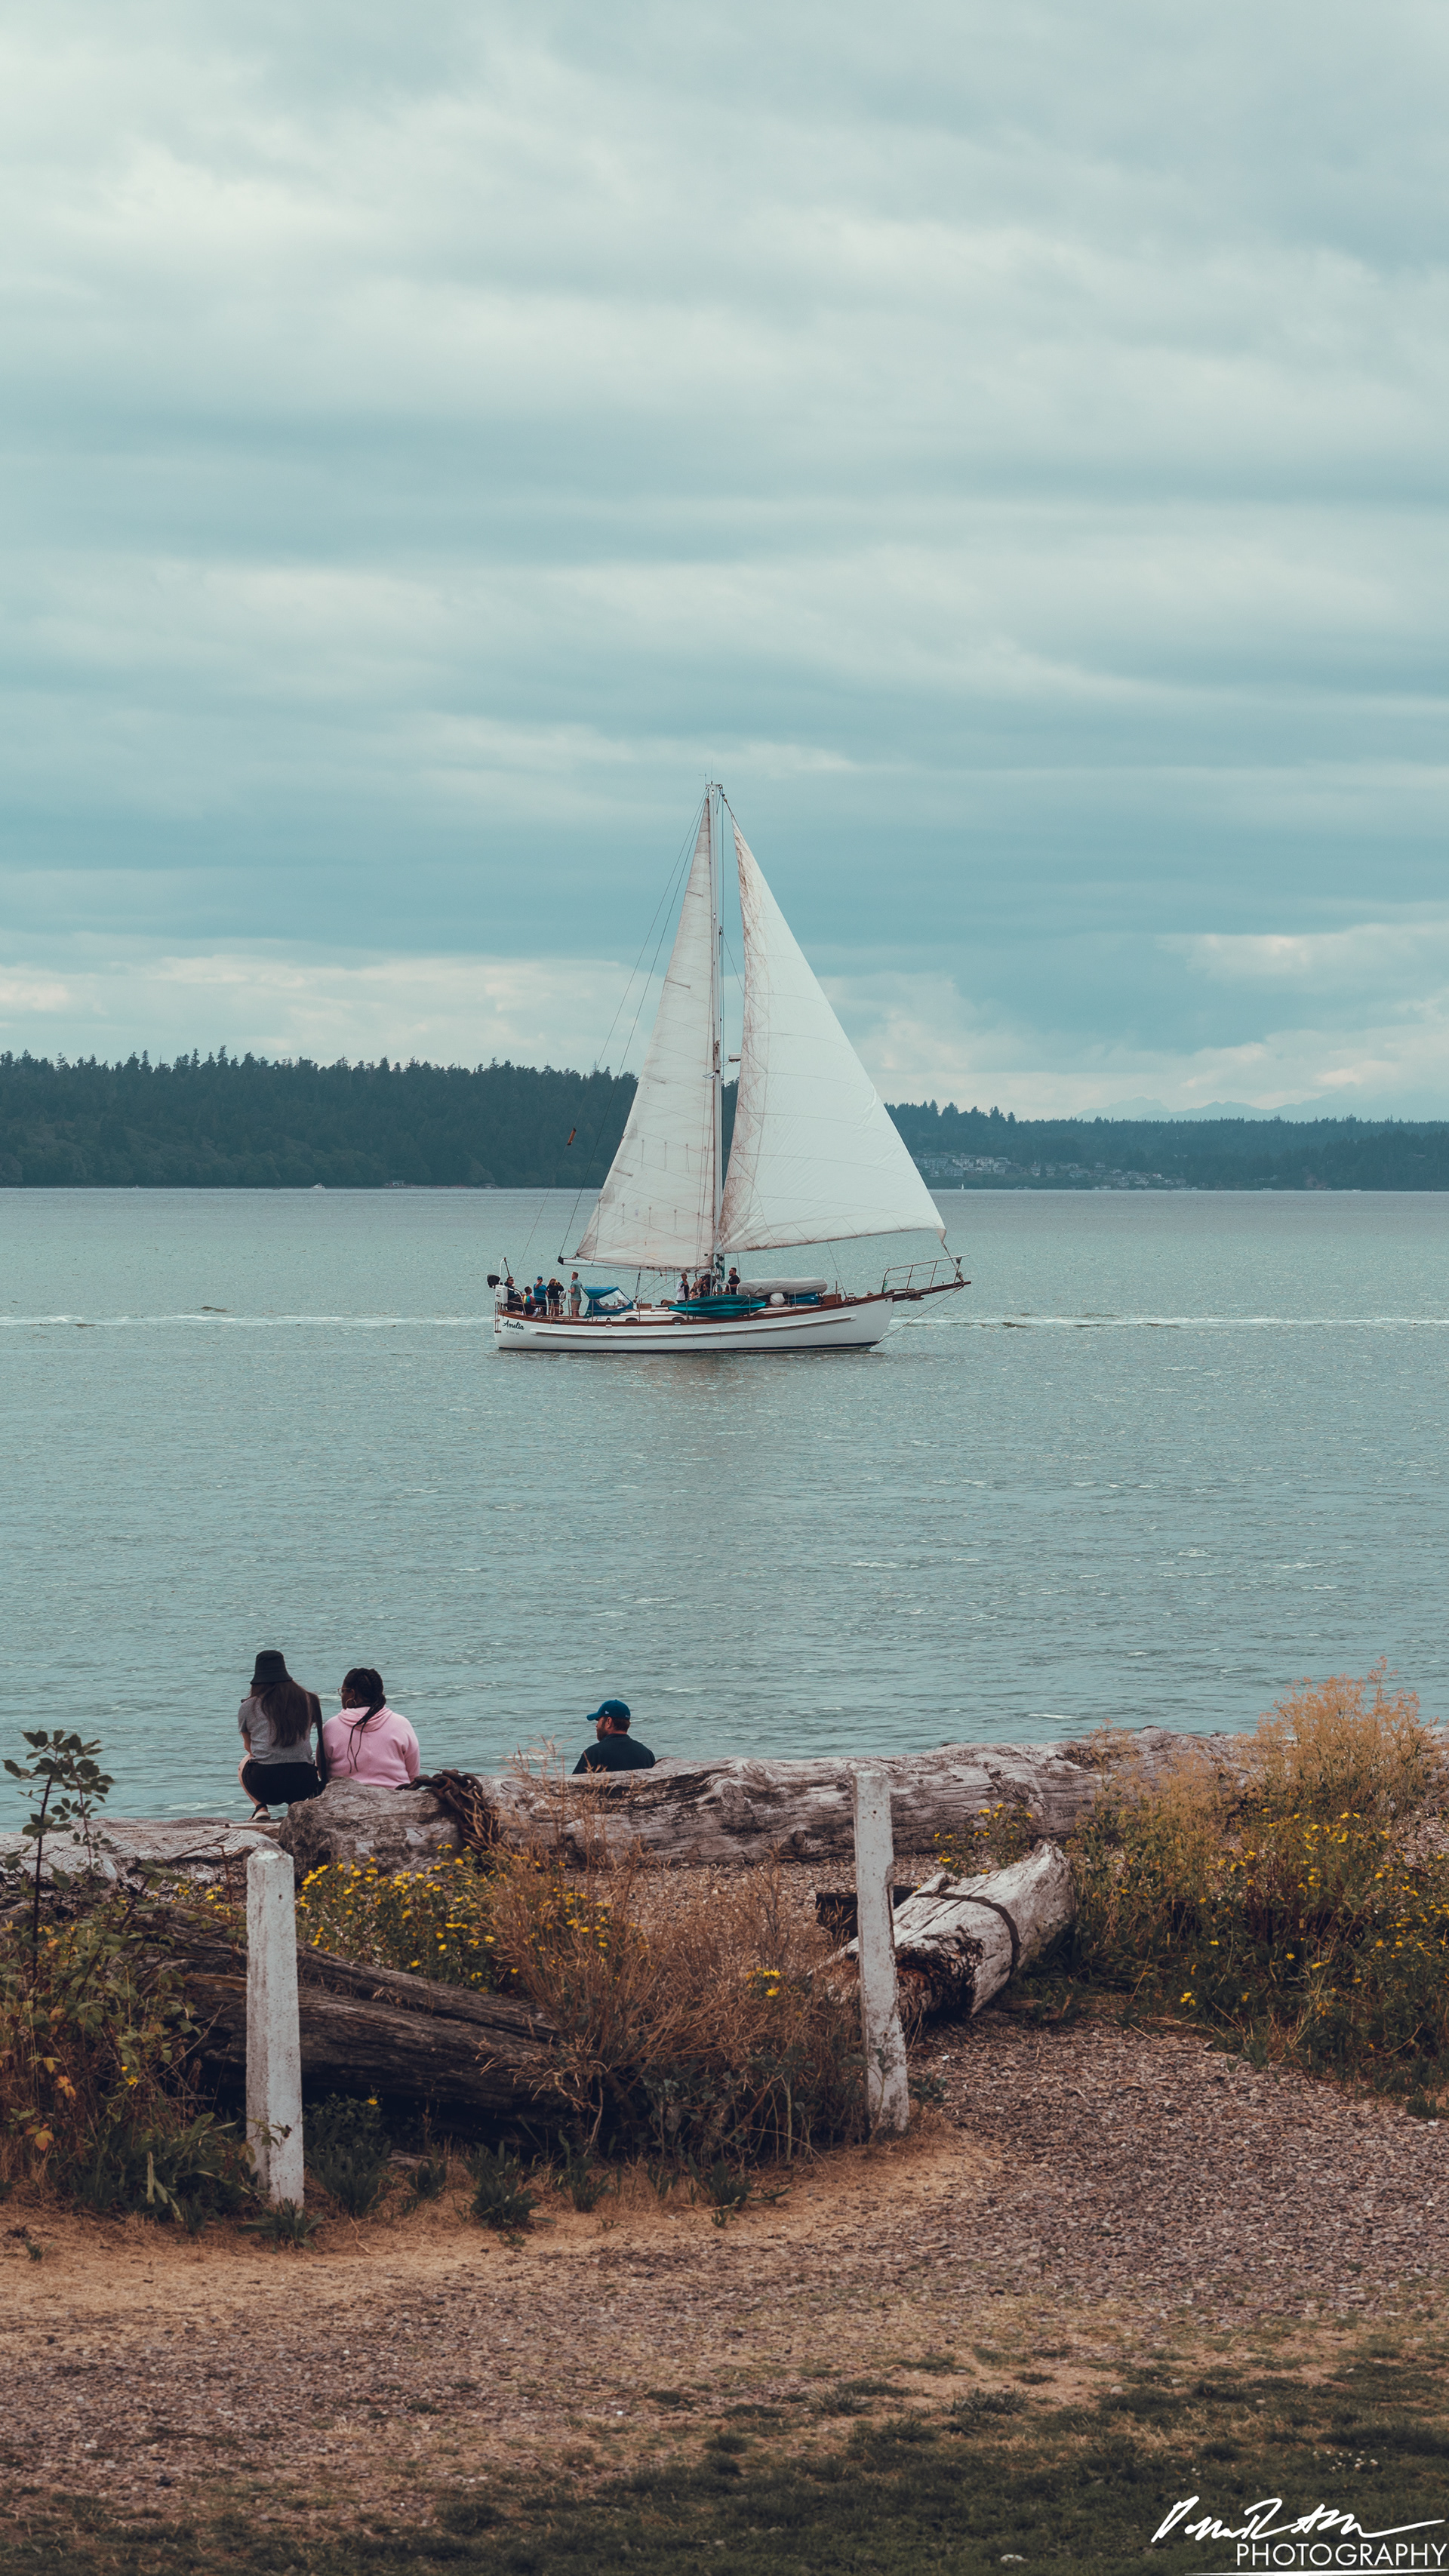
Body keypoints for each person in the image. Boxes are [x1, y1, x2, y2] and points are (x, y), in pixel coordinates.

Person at [237, 1649, 325, 1820]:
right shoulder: (309, 1700)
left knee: (244, 1761)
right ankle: (296, 1808)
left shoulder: (248, 1706)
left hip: (265, 1784)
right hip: (303, 1782)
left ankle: (261, 1808)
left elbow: (249, 1747)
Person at [321, 1667, 422, 1788]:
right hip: (397, 1798)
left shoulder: (331, 1726)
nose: (342, 1696)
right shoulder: (402, 1723)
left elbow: (323, 1773)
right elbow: (413, 1774)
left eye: (343, 1692)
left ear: (352, 1694)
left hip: (345, 1799)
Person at [572, 1697, 656, 1776]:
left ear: (609, 1722)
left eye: (599, 1721)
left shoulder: (593, 1754)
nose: (596, 1725)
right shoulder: (646, 1754)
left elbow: (572, 1787)